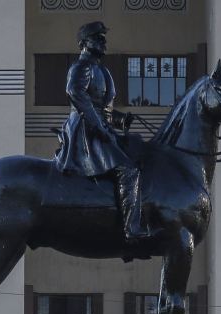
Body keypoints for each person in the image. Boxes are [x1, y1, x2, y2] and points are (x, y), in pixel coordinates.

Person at [52, 20, 148, 241]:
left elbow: (104, 110)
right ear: (85, 43)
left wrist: (121, 120)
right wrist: (98, 124)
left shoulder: (101, 70)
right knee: (128, 170)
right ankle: (131, 229)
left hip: (98, 127)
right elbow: (75, 94)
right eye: (98, 38)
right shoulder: (81, 67)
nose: (104, 41)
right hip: (85, 131)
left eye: (103, 38)